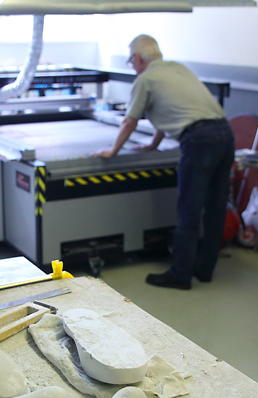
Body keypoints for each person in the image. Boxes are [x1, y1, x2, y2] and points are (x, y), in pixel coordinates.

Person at [94, 34, 235, 290]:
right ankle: (204, 270)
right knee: (215, 209)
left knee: (189, 210)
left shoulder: (145, 79)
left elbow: (130, 120)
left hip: (199, 140)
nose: (132, 66)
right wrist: (153, 144)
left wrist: (112, 151)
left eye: (131, 61)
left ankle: (180, 275)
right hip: (225, 134)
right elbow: (169, 110)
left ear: (138, 58)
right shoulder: (178, 69)